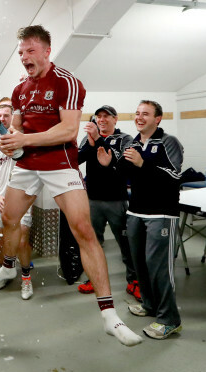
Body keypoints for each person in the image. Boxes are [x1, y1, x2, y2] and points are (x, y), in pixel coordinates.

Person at [0, 25, 142, 346]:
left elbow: (68, 131)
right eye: (20, 52)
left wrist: (24, 138)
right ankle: (8, 268)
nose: (24, 57)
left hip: (60, 165)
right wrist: (9, 142)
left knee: (84, 231)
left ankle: (110, 316)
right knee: (9, 220)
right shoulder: (19, 89)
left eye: (30, 51)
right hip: (27, 165)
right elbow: (16, 127)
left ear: (46, 50)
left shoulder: (67, 82)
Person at [98, 100, 183, 340]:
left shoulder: (168, 142)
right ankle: (149, 305)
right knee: (140, 264)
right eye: (137, 113)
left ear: (158, 119)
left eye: (145, 114)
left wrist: (143, 163)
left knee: (159, 267)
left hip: (161, 213)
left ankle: (169, 319)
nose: (139, 117)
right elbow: (125, 173)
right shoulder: (134, 143)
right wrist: (110, 166)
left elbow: (174, 176)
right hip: (136, 211)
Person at [77, 105, 140, 301]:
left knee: (126, 243)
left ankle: (134, 281)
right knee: (92, 244)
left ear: (115, 119)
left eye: (106, 116)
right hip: (93, 200)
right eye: (99, 116)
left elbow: (124, 163)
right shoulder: (88, 138)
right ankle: (93, 279)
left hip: (116, 201)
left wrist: (99, 139)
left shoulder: (126, 139)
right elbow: (77, 159)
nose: (102, 120)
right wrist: (90, 142)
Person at [0, 106, 33, 299]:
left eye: (6, 115)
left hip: (21, 198)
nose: (2, 118)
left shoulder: (24, 139)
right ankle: (7, 270)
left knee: (21, 241)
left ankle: (26, 279)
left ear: (13, 118)